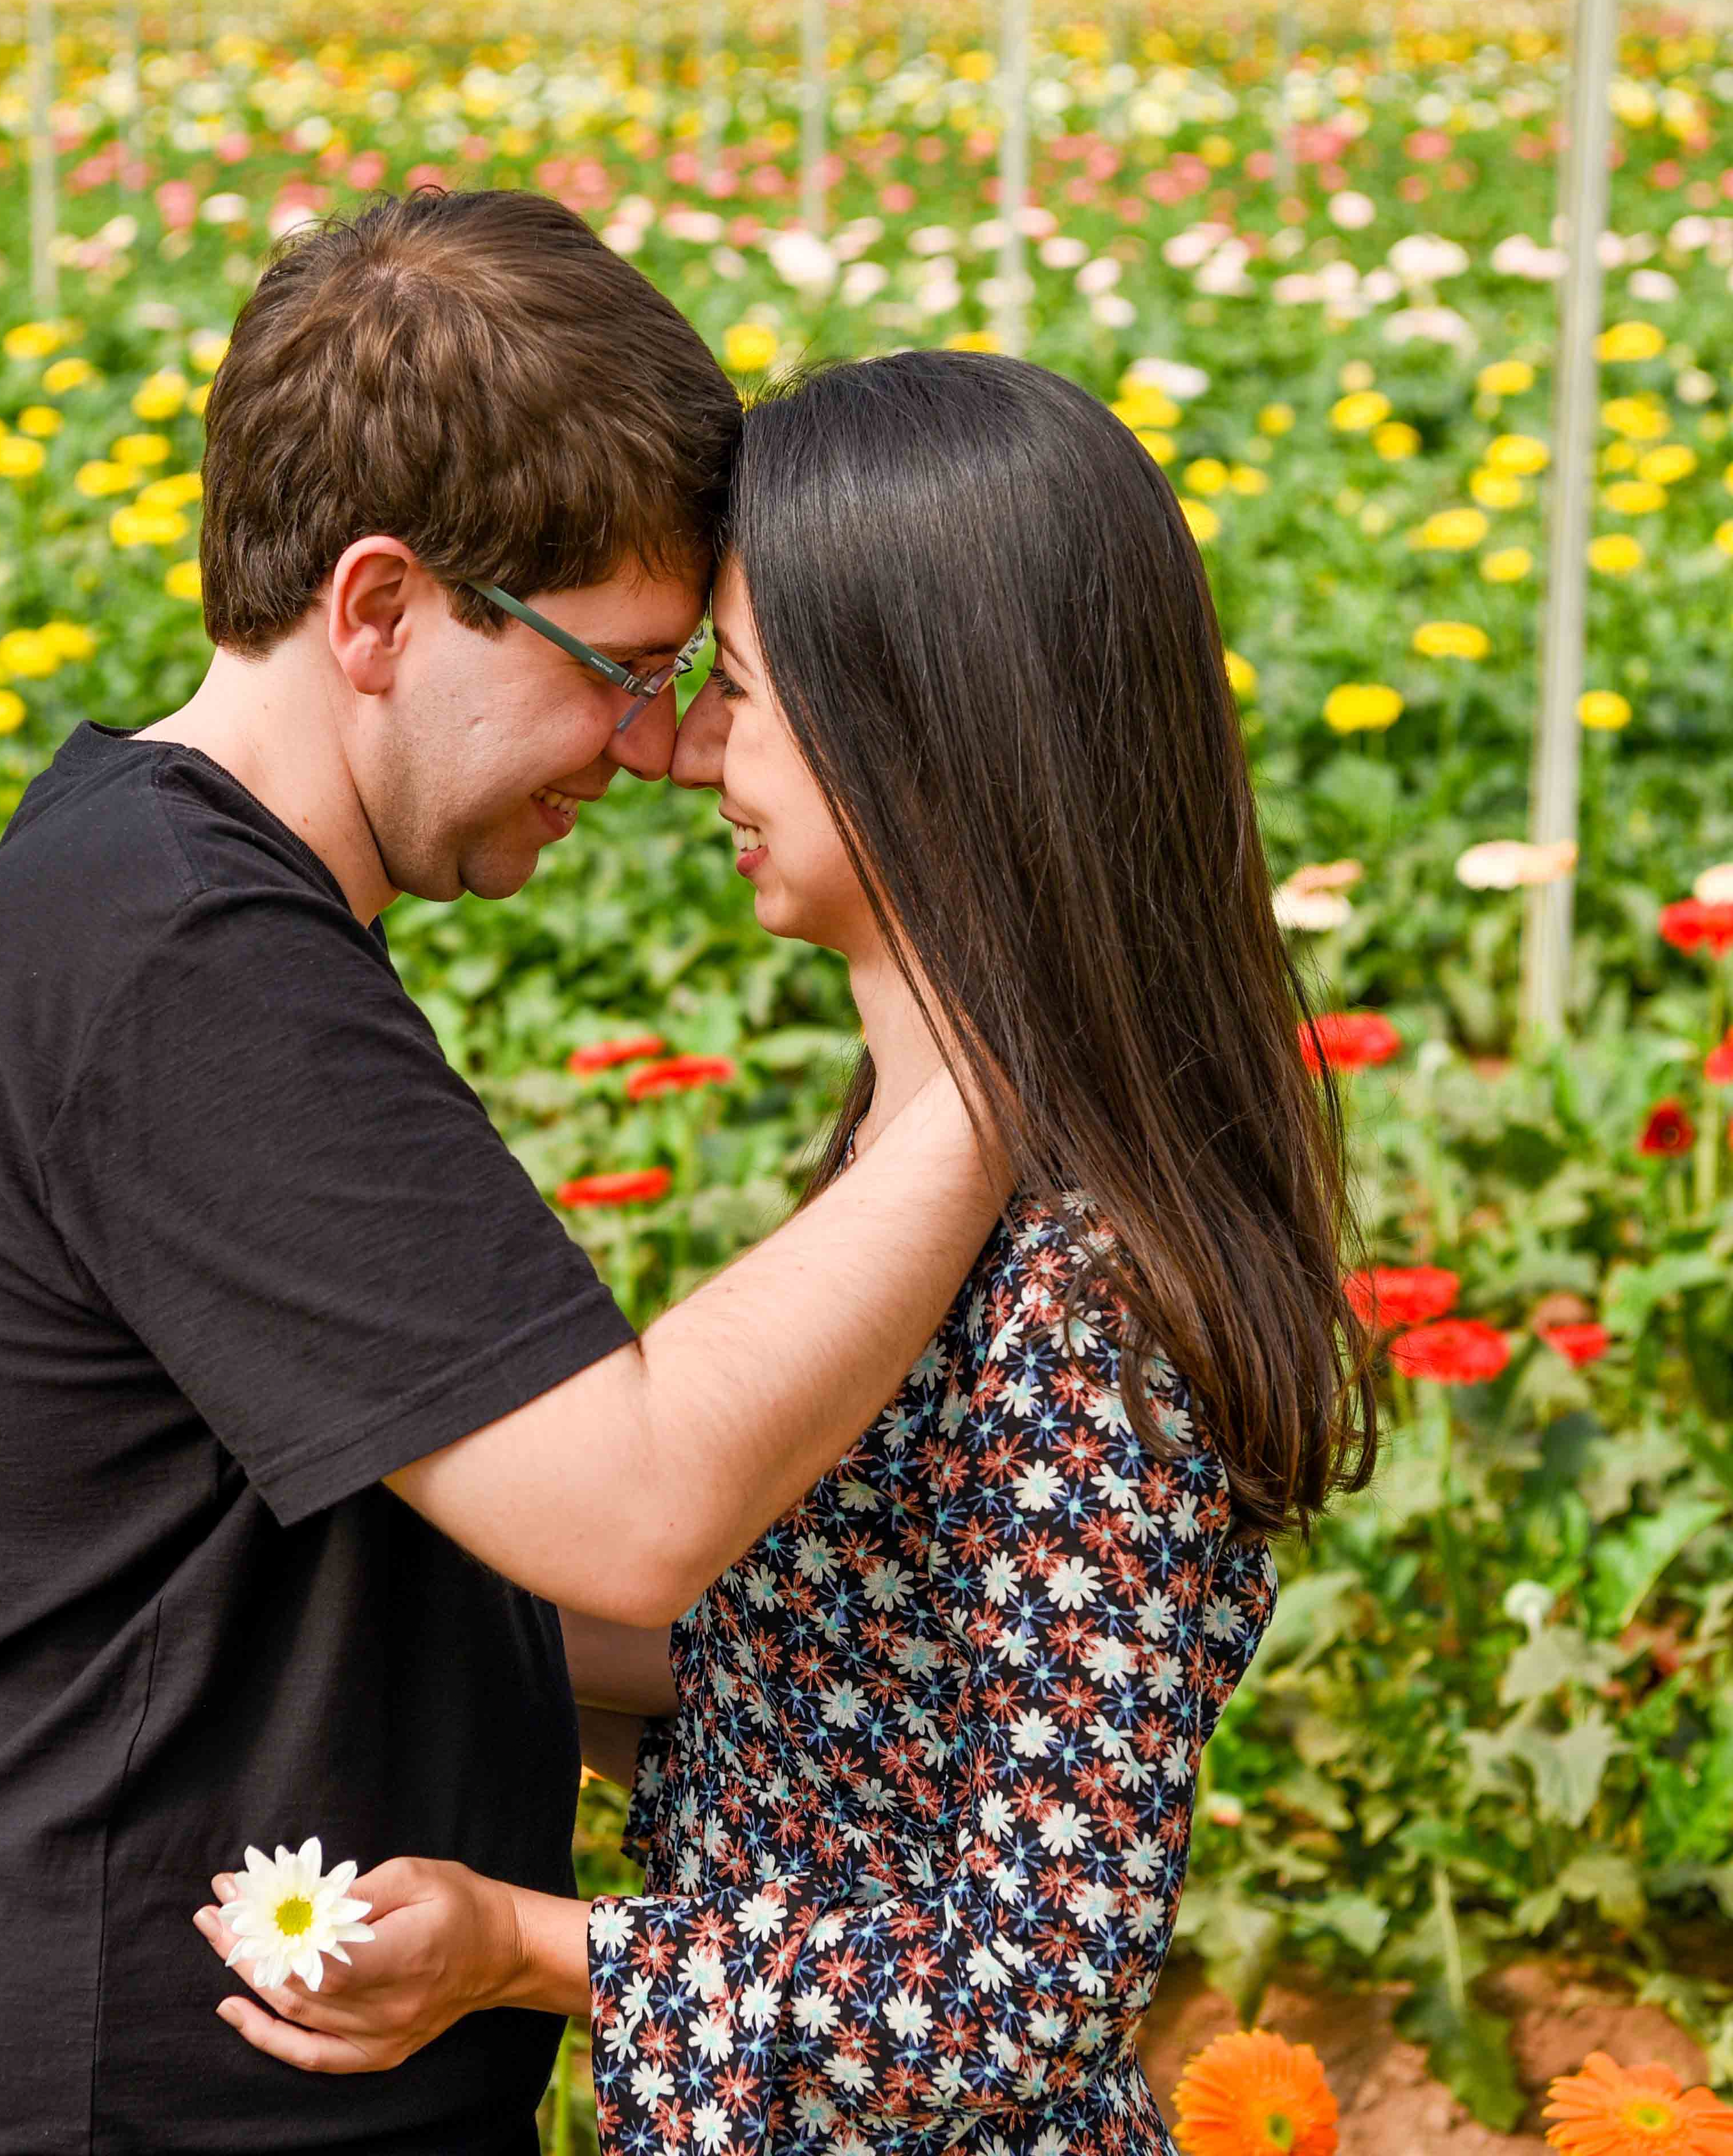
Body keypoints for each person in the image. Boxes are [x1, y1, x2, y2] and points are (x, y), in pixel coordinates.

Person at [0, 197, 1006, 2155]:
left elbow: (411, 1572)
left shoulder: (172, 902)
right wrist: (1004, 1068)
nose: (649, 749)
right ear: (375, 610)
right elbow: (635, 1507)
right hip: (104, 2107)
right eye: (623, 666)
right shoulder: (188, 964)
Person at [189, 350, 1380, 2152]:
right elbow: (841, 1713)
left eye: (734, 691)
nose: (672, 750)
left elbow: (1043, 1972)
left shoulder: (1080, 1295)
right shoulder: (930, 1195)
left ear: (932, 735)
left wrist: (530, 1948)